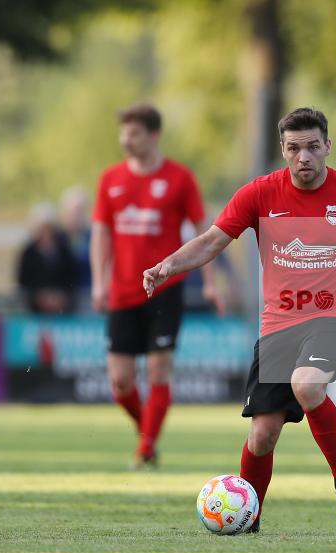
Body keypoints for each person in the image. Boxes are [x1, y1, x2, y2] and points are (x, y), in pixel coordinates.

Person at [142, 107, 336, 534]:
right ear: (283, 151)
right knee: (262, 435)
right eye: (293, 148)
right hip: (279, 323)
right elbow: (213, 241)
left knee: (306, 384)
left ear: (327, 146)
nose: (303, 157)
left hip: (335, 314)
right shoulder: (259, 194)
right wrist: (167, 266)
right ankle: (248, 517)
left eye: (311, 147)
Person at [91, 103, 220, 469]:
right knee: (120, 381)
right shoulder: (110, 179)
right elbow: (100, 233)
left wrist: (210, 282)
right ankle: (147, 429)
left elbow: (204, 232)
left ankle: (146, 448)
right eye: (123, 133)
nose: (125, 140)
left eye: (133, 133)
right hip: (122, 291)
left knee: (158, 372)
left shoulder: (179, 178)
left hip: (165, 290)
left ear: (153, 135)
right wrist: (100, 282)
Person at [17, 204, 78, 314]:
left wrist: (60, 296)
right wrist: (39, 297)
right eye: (42, 228)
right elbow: (23, 280)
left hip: (62, 311)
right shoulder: (28, 252)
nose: (45, 232)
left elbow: (71, 278)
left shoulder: (64, 251)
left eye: (48, 228)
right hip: (34, 311)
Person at [60, 187, 93, 311]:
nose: (75, 216)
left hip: (86, 298)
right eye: (72, 211)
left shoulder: (92, 238)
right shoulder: (58, 239)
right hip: (62, 301)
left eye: (79, 211)